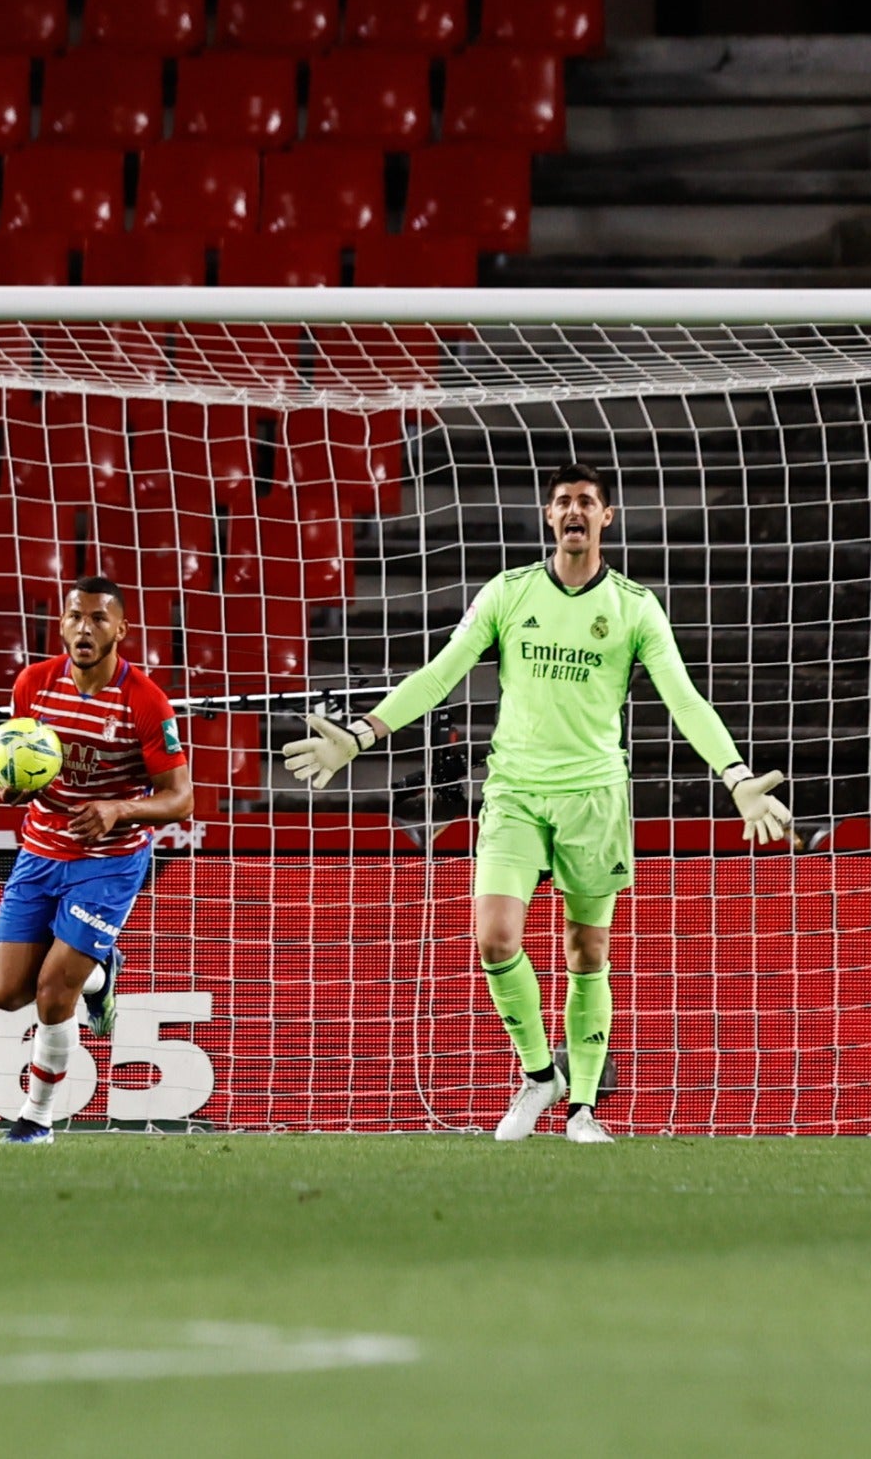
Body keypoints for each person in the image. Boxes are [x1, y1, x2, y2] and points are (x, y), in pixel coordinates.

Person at [283, 463, 792, 1144]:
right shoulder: (508, 592)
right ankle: (537, 1074)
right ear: (550, 517)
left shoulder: (635, 605)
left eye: (586, 501)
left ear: (606, 517)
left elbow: (683, 696)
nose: (574, 511)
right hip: (516, 793)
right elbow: (441, 670)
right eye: (563, 502)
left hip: (593, 797)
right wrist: (363, 732)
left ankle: (582, 1108)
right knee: (494, 936)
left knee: (586, 952)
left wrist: (734, 773)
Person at [0, 576, 194, 1145]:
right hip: (40, 850)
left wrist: (119, 810)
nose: (85, 627)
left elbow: (181, 798)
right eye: (76, 616)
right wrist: (15, 786)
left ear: (121, 630)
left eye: (99, 618)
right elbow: (26, 761)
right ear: (62, 625)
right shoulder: (33, 685)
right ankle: (101, 975)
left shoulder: (145, 701)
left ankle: (37, 1118)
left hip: (108, 862)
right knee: (4, 992)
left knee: (54, 993)